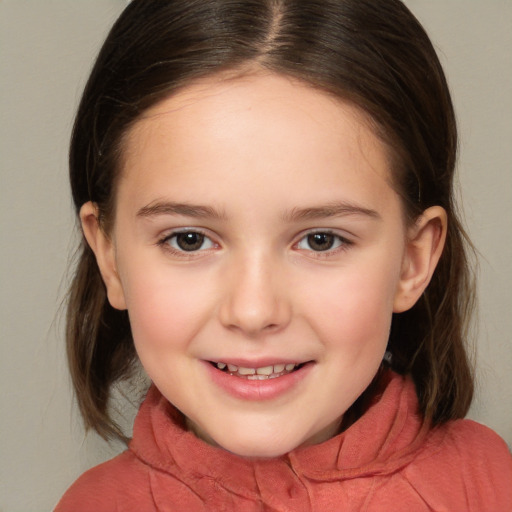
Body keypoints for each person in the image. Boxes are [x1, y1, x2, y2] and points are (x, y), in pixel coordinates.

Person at [55, 0, 512, 510]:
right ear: (110, 256)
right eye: (189, 239)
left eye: (321, 240)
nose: (254, 311)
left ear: (413, 260)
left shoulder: (489, 487)